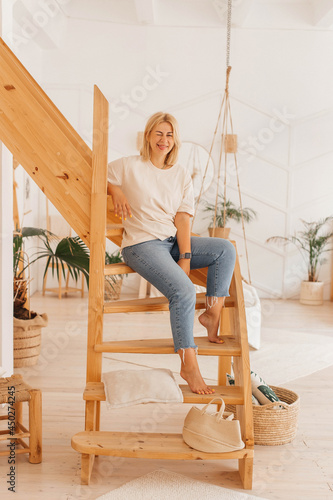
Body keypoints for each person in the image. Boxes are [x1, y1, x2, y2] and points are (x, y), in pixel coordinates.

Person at [107, 112, 236, 395]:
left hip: (171, 241)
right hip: (141, 245)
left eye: (169, 135)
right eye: (158, 133)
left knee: (225, 249)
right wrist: (114, 190)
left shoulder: (180, 174)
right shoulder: (129, 166)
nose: (164, 140)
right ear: (148, 136)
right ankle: (188, 362)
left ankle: (211, 315)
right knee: (184, 290)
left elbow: (183, 219)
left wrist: (185, 257)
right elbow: (97, 175)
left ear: (175, 139)